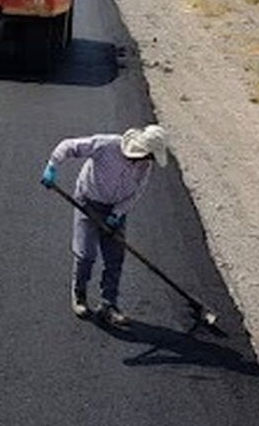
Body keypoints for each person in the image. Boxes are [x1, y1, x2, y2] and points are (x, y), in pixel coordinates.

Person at [40, 124, 168, 326]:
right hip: (87, 203)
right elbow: (68, 145)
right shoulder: (106, 145)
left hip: (115, 211)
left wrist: (116, 215)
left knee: (114, 258)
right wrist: (52, 166)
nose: (149, 161)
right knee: (85, 254)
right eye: (149, 156)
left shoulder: (146, 165)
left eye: (151, 158)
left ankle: (109, 305)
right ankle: (79, 294)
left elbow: (136, 193)